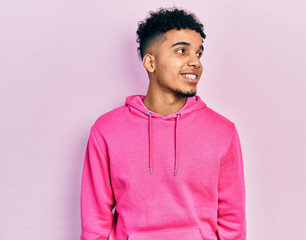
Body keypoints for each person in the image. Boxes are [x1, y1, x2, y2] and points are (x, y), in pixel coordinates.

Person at [80, 6, 246, 240]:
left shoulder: (223, 131)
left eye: (198, 53)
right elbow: (95, 219)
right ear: (150, 62)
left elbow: (233, 218)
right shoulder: (106, 130)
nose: (195, 62)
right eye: (181, 51)